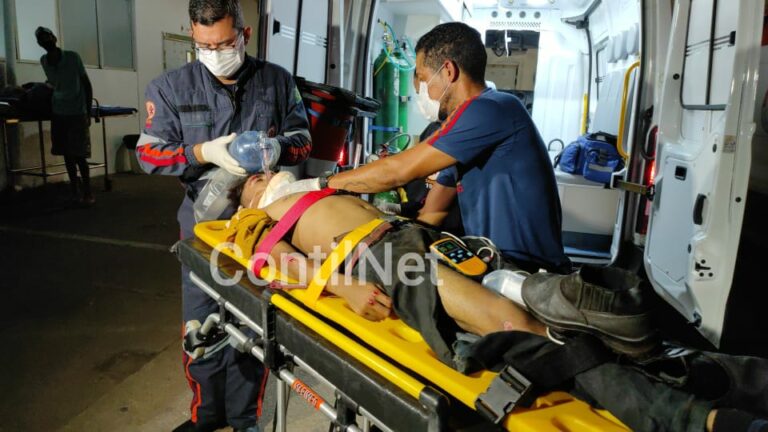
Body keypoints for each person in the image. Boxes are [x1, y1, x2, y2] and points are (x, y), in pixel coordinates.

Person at [225, 173, 768, 432]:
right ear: (247, 199)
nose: (265, 173)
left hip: (415, 245)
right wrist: (341, 285)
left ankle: (725, 384)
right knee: (525, 331)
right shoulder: (260, 216)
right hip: (388, 262)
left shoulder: (316, 192)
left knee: (548, 325)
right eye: (253, 179)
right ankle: (700, 416)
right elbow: (270, 265)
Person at [135, 0, 312, 430]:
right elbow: (147, 155)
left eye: (225, 43)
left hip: (259, 222)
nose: (216, 52)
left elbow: (303, 138)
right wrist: (201, 152)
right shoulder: (170, 88)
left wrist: (278, 148)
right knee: (202, 324)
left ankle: (245, 416)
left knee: (253, 322)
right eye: (204, 44)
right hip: (201, 222)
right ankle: (205, 415)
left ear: (244, 35)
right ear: (193, 37)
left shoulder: (276, 81)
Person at [323, 22, 571, 274]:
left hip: (529, 271)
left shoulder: (491, 108)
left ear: (448, 71)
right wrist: (392, 233)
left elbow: (398, 171)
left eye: (421, 77)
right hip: (494, 264)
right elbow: (435, 210)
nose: (420, 89)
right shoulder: (466, 125)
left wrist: (323, 183)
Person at [35, 27, 94, 205]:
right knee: (67, 154)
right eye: (42, 39)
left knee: (80, 155)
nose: (46, 40)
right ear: (40, 44)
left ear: (54, 38)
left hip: (77, 112)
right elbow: (54, 83)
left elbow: (86, 84)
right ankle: (74, 191)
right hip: (59, 112)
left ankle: (88, 192)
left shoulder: (72, 57)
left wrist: (88, 111)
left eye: (48, 36)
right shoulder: (44, 61)